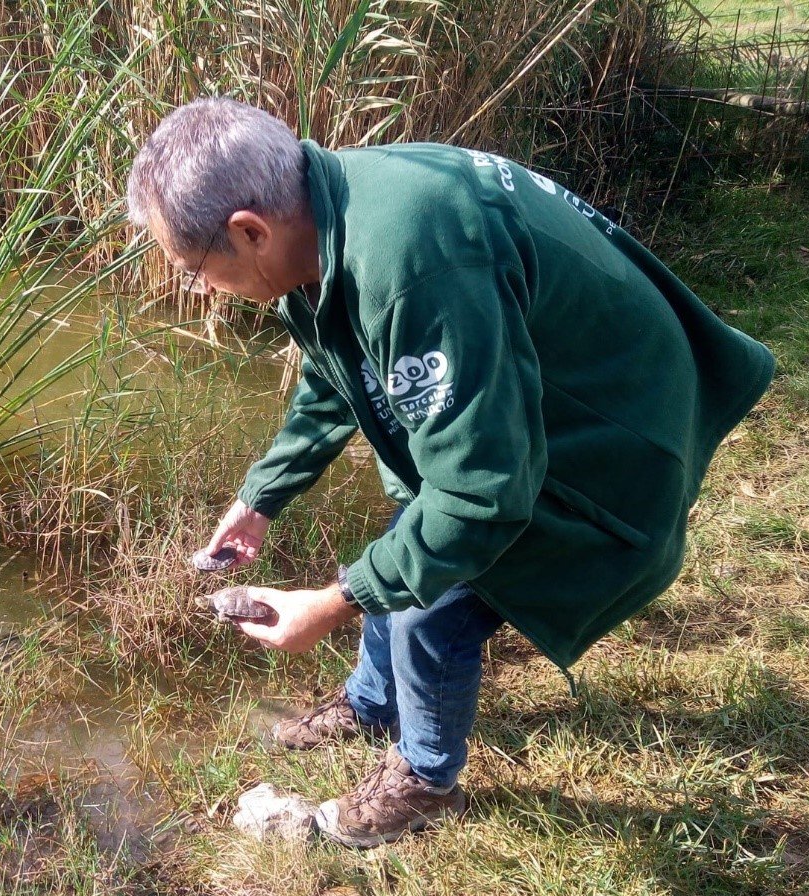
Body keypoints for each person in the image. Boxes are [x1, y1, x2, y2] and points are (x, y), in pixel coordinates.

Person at [126, 98, 775, 848]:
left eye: (195, 268)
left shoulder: (410, 257)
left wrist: (334, 602)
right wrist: (260, 496)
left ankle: (425, 778)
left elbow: (480, 495)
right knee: (408, 538)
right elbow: (340, 370)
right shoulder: (321, 207)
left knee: (437, 596)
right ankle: (372, 702)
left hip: (613, 421)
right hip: (539, 384)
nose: (201, 288)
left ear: (249, 230)